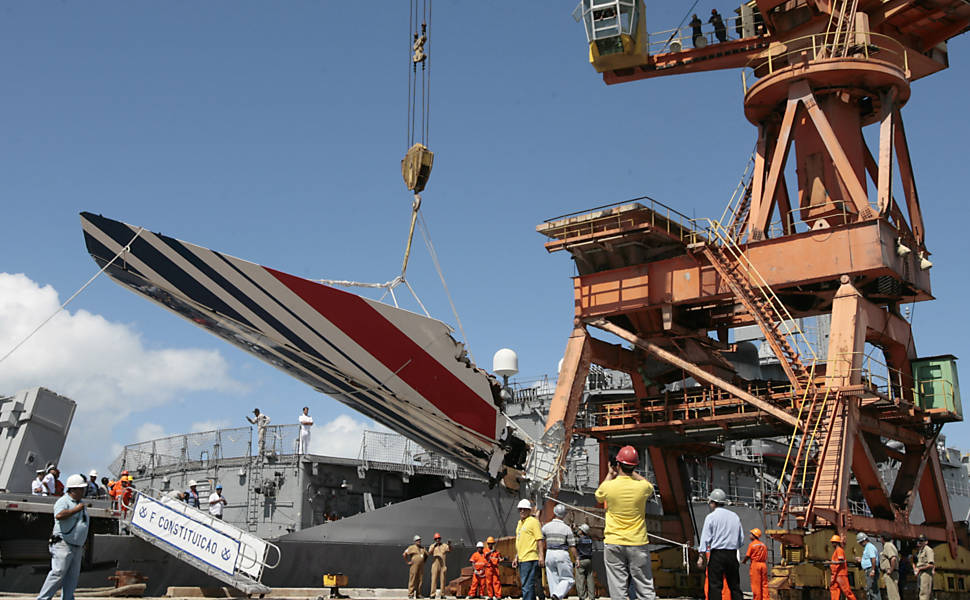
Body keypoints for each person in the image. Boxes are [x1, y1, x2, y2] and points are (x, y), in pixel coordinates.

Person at [594, 445, 656, 600]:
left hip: (614, 541)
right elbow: (650, 486)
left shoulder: (608, 486)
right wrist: (632, 472)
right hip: (638, 542)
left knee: (618, 589)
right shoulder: (642, 487)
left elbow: (598, 496)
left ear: (618, 464)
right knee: (645, 588)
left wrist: (610, 473)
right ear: (635, 466)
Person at [36, 474, 90, 600]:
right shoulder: (64, 501)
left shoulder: (80, 503)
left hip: (76, 546)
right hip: (63, 544)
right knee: (58, 572)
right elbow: (59, 515)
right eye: (81, 489)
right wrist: (76, 510)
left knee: (72, 577)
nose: (83, 491)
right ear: (73, 489)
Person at [697, 489, 744, 600]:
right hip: (732, 554)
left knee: (715, 586)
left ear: (713, 503)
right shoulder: (735, 516)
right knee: (735, 586)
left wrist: (701, 556)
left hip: (717, 555)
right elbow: (741, 540)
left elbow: (705, 538)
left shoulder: (711, 517)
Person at [512, 499, 545, 600]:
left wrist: (541, 556)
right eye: (520, 509)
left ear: (529, 510)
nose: (522, 511)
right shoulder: (520, 523)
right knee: (528, 585)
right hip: (522, 558)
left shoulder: (534, 522)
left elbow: (539, 539)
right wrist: (516, 557)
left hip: (530, 558)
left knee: (527, 586)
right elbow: (520, 541)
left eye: (524, 509)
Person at [542, 504, 577, 600]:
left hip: (549, 553)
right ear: (564, 514)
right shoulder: (567, 528)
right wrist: (577, 558)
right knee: (568, 579)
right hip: (561, 553)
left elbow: (540, 540)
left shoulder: (546, 527)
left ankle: (555, 595)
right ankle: (557, 595)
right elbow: (572, 546)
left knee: (553, 579)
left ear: (554, 512)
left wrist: (540, 555)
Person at [741, 528, 769, 600]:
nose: (749, 536)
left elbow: (748, 556)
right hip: (763, 565)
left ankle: (757, 598)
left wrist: (744, 561)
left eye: (751, 534)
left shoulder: (752, 545)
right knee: (764, 584)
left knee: (756, 585)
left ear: (754, 535)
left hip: (755, 565)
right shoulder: (763, 545)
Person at [827, 535, 857, 600]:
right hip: (836, 574)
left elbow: (842, 561)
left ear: (836, 543)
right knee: (834, 589)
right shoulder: (837, 550)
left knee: (846, 591)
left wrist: (832, 562)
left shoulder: (839, 550)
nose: (832, 544)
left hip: (841, 574)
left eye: (833, 542)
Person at [404, 534, 429, 599]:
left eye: (419, 540)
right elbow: (404, 554)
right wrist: (407, 562)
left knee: (420, 580)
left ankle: (418, 594)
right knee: (413, 579)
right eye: (417, 540)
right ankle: (410, 594)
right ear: (415, 541)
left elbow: (427, 555)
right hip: (414, 566)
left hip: (421, 567)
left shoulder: (423, 548)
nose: (419, 541)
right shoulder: (411, 547)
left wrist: (423, 561)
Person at [574, 524, 595, 600]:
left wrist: (573, 530)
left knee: (580, 579)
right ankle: (592, 597)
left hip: (581, 560)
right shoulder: (590, 539)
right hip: (589, 560)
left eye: (580, 529)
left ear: (582, 531)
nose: (578, 530)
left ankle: (582, 597)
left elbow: (573, 541)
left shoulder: (578, 540)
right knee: (590, 579)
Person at [856, 532, 879, 600]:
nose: (860, 544)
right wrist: (862, 560)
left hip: (870, 569)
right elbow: (869, 559)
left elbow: (873, 558)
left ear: (864, 540)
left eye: (860, 543)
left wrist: (872, 570)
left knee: (872, 590)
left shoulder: (869, 547)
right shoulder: (867, 547)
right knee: (870, 590)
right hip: (869, 569)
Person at [429, 533, 451, 599]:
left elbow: (449, 550)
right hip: (435, 564)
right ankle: (432, 594)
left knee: (443, 580)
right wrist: (434, 546)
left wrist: (449, 544)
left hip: (442, 564)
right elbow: (430, 552)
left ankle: (442, 594)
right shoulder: (432, 546)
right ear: (434, 539)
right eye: (436, 539)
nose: (437, 540)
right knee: (434, 579)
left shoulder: (444, 545)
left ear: (440, 539)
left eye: (438, 538)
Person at [914, 534, 934, 600]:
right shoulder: (920, 551)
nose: (920, 542)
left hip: (926, 573)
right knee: (921, 591)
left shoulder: (928, 550)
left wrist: (919, 569)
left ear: (926, 542)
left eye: (922, 541)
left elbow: (931, 565)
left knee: (924, 593)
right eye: (919, 541)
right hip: (921, 573)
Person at [484, 536, 502, 600]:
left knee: (496, 582)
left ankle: (498, 596)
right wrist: (491, 552)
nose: (490, 545)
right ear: (487, 544)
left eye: (491, 543)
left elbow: (499, 559)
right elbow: (486, 555)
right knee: (489, 582)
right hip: (488, 568)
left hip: (495, 568)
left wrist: (501, 559)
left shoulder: (496, 552)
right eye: (489, 543)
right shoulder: (485, 550)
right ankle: (490, 596)